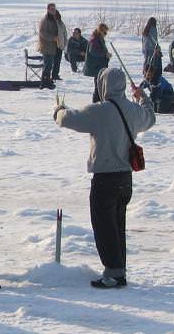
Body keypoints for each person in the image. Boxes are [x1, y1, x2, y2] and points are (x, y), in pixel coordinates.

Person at [54, 68, 155, 288]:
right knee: (117, 224)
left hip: (104, 179)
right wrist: (142, 97)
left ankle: (113, 273)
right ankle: (119, 270)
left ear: (103, 85)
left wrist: (59, 110)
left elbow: (69, 119)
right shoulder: (133, 110)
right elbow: (150, 117)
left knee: (104, 226)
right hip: (126, 179)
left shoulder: (100, 111)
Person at [84, 24, 112, 102]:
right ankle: (96, 103)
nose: (105, 35)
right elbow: (93, 51)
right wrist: (105, 54)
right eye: (105, 33)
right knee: (98, 86)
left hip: (99, 66)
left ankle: (99, 102)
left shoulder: (99, 38)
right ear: (100, 31)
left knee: (100, 85)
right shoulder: (95, 39)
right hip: (96, 67)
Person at [37, 3, 61, 89]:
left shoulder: (54, 18)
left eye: (54, 9)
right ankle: (44, 83)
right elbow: (42, 32)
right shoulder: (45, 19)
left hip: (53, 46)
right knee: (47, 65)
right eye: (51, 9)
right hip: (46, 45)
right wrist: (52, 38)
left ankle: (48, 81)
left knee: (50, 65)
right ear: (48, 9)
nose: (53, 10)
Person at [51, 9, 68, 81]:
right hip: (51, 45)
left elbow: (65, 33)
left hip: (60, 45)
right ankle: (48, 76)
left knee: (57, 61)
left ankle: (55, 75)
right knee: (51, 62)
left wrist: (65, 43)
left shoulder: (61, 23)